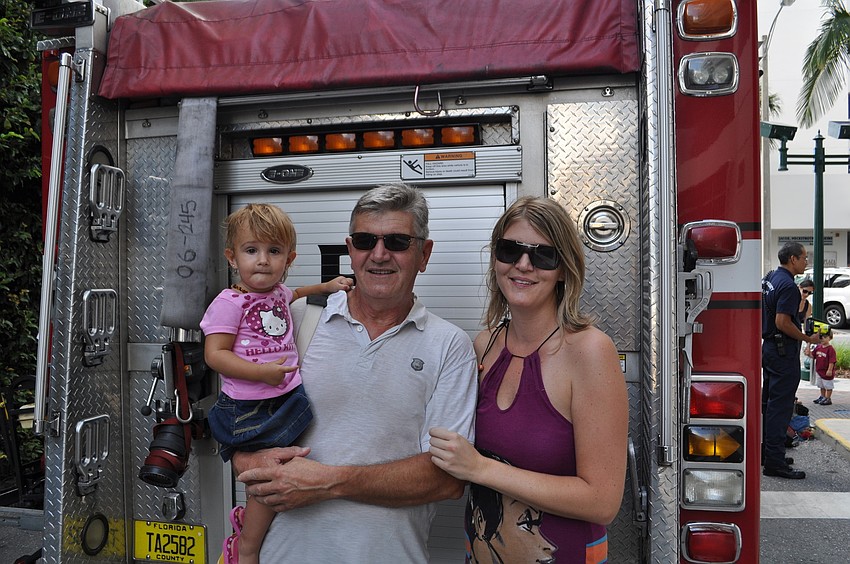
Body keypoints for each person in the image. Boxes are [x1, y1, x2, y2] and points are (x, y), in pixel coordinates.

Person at [232, 184, 478, 562]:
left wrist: (326, 482)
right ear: (350, 249)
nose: (379, 255)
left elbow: (448, 478)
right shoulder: (295, 321)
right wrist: (248, 461)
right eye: (366, 240)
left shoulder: (449, 346)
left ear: (424, 254)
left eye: (397, 241)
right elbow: (239, 416)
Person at [429, 196, 628, 563]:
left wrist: (480, 468)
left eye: (542, 255)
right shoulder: (484, 344)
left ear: (564, 270)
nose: (523, 265)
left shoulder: (589, 351)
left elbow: (602, 501)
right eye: (510, 250)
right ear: (495, 260)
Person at [200, 203, 352, 564]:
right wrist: (261, 373)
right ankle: (246, 548)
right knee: (270, 479)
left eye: (274, 251)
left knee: (290, 469)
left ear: (290, 258)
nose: (263, 261)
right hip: (249, 408)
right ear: (232, 257)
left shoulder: (278, 293)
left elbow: (298, 294)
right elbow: (215, 355)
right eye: (251, 250)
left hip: (284, 399)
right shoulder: (229, 302)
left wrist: (329, 286)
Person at [761, 242, 820, 479]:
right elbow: (782, 322)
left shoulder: (771, 278)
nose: (806, 261)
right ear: (793, 259)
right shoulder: (788, 286)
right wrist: (807, 337)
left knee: (769, 405)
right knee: (780, 408)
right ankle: (774, 463)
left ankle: (768, 453)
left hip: (770, 349)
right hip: (783, 353)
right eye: (804, 258)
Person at [811, 328, 837, 405]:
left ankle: (828, 398)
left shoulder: (830, 349)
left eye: (825, 337)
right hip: (819, 370)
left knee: (828, 385)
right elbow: (813, 355)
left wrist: (829, 370)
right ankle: (822, 396)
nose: (822, 339)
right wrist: (808, 352)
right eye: (821, 337)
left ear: (830, 338)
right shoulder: (818, 347)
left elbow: (832, 361)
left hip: (826, 371)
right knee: (821, 385)